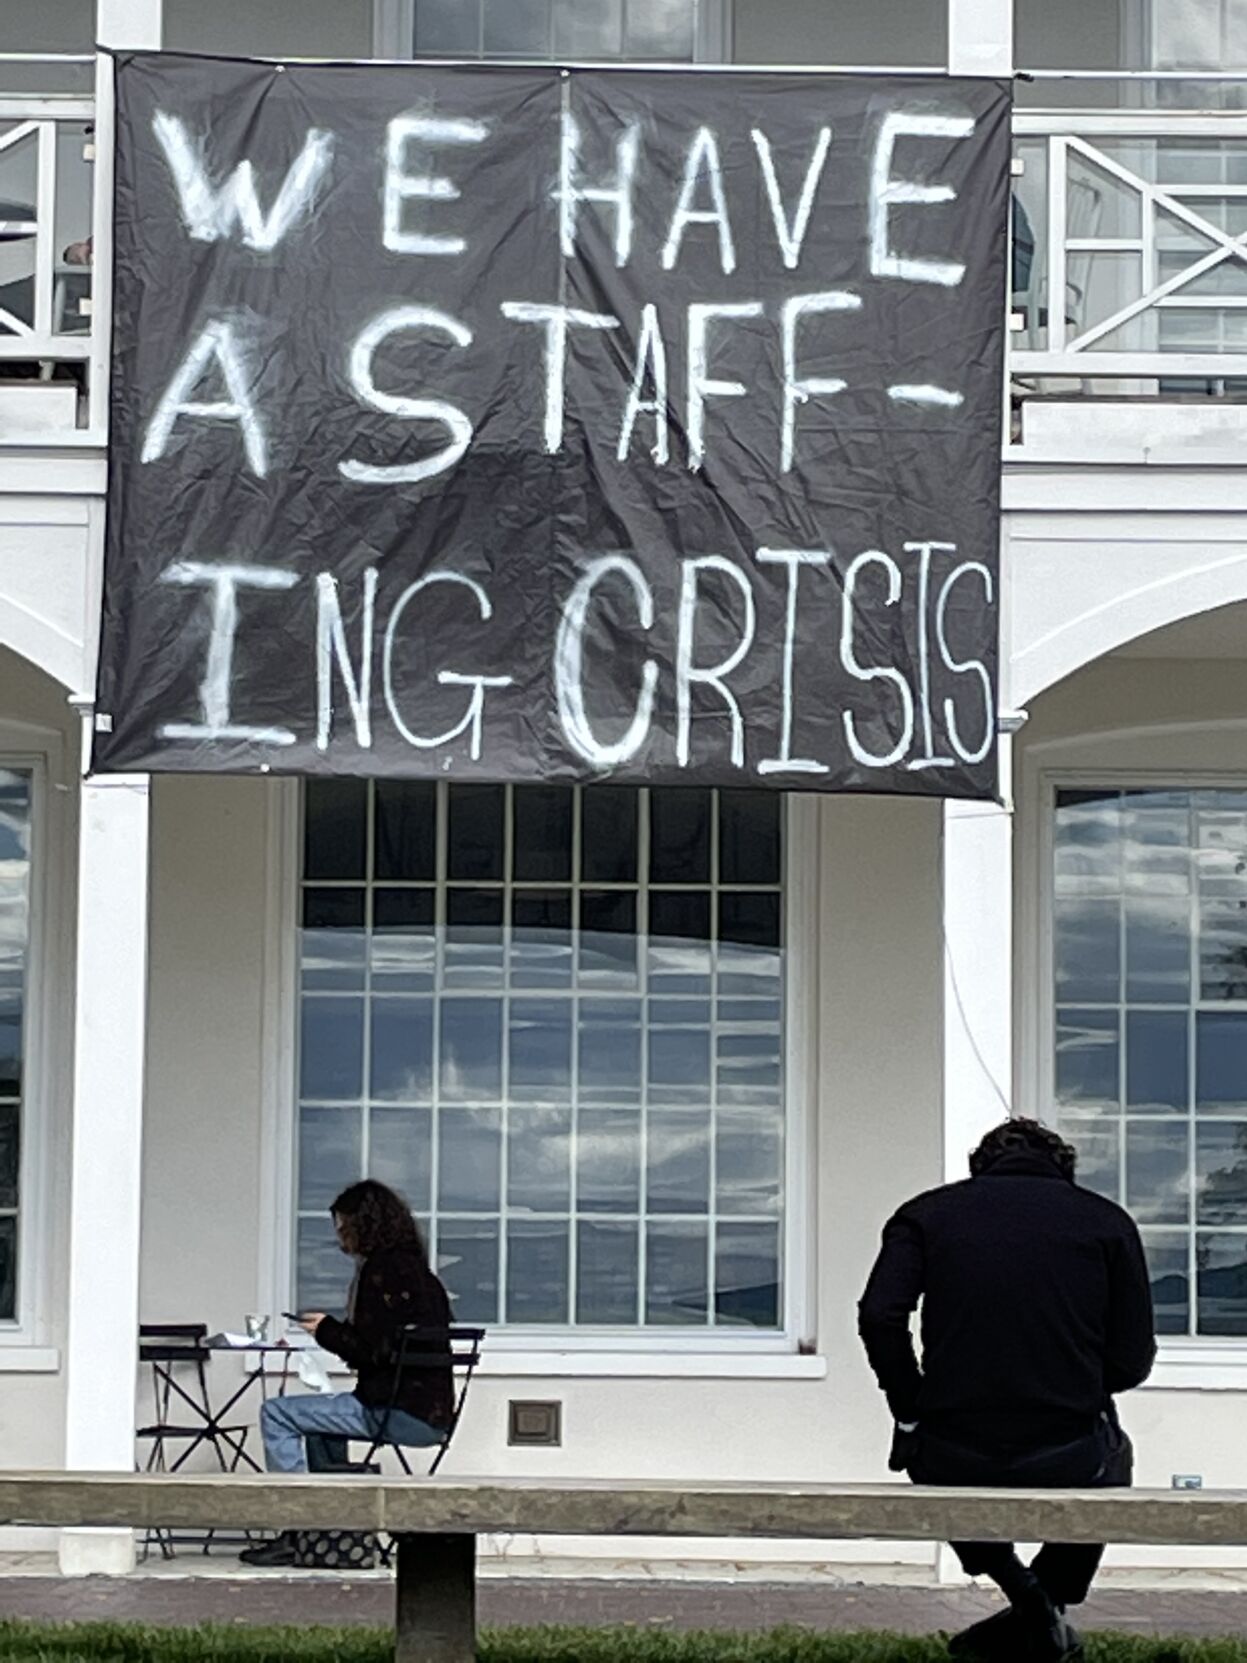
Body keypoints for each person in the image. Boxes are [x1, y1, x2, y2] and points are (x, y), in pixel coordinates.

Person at [858, 1117, 1156, 1663]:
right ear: (1063, 1169)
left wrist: (912, 1405)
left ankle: (1026, 1600)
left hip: (953, 1448)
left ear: (979, 1167)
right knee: (1115, 1456)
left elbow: (880, 1317)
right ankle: (1042, 1606)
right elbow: (1134, 1360)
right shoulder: (1106, 1222)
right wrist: (1081, 1385)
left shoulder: (925, 1215)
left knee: (920, 1452)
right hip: (1069, 1451)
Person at [240, 1179, 453, 1568]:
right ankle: (330, 1529)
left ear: (363, 1225)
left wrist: (325, 1330)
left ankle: (298, 1530)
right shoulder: (424, 1278)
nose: (340, 1238)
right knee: (320, 1422)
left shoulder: (379, 1274)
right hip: (434, 1416)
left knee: (277, 1413)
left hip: (392, 1410)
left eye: (343, 1227)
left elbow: (372, 1352)